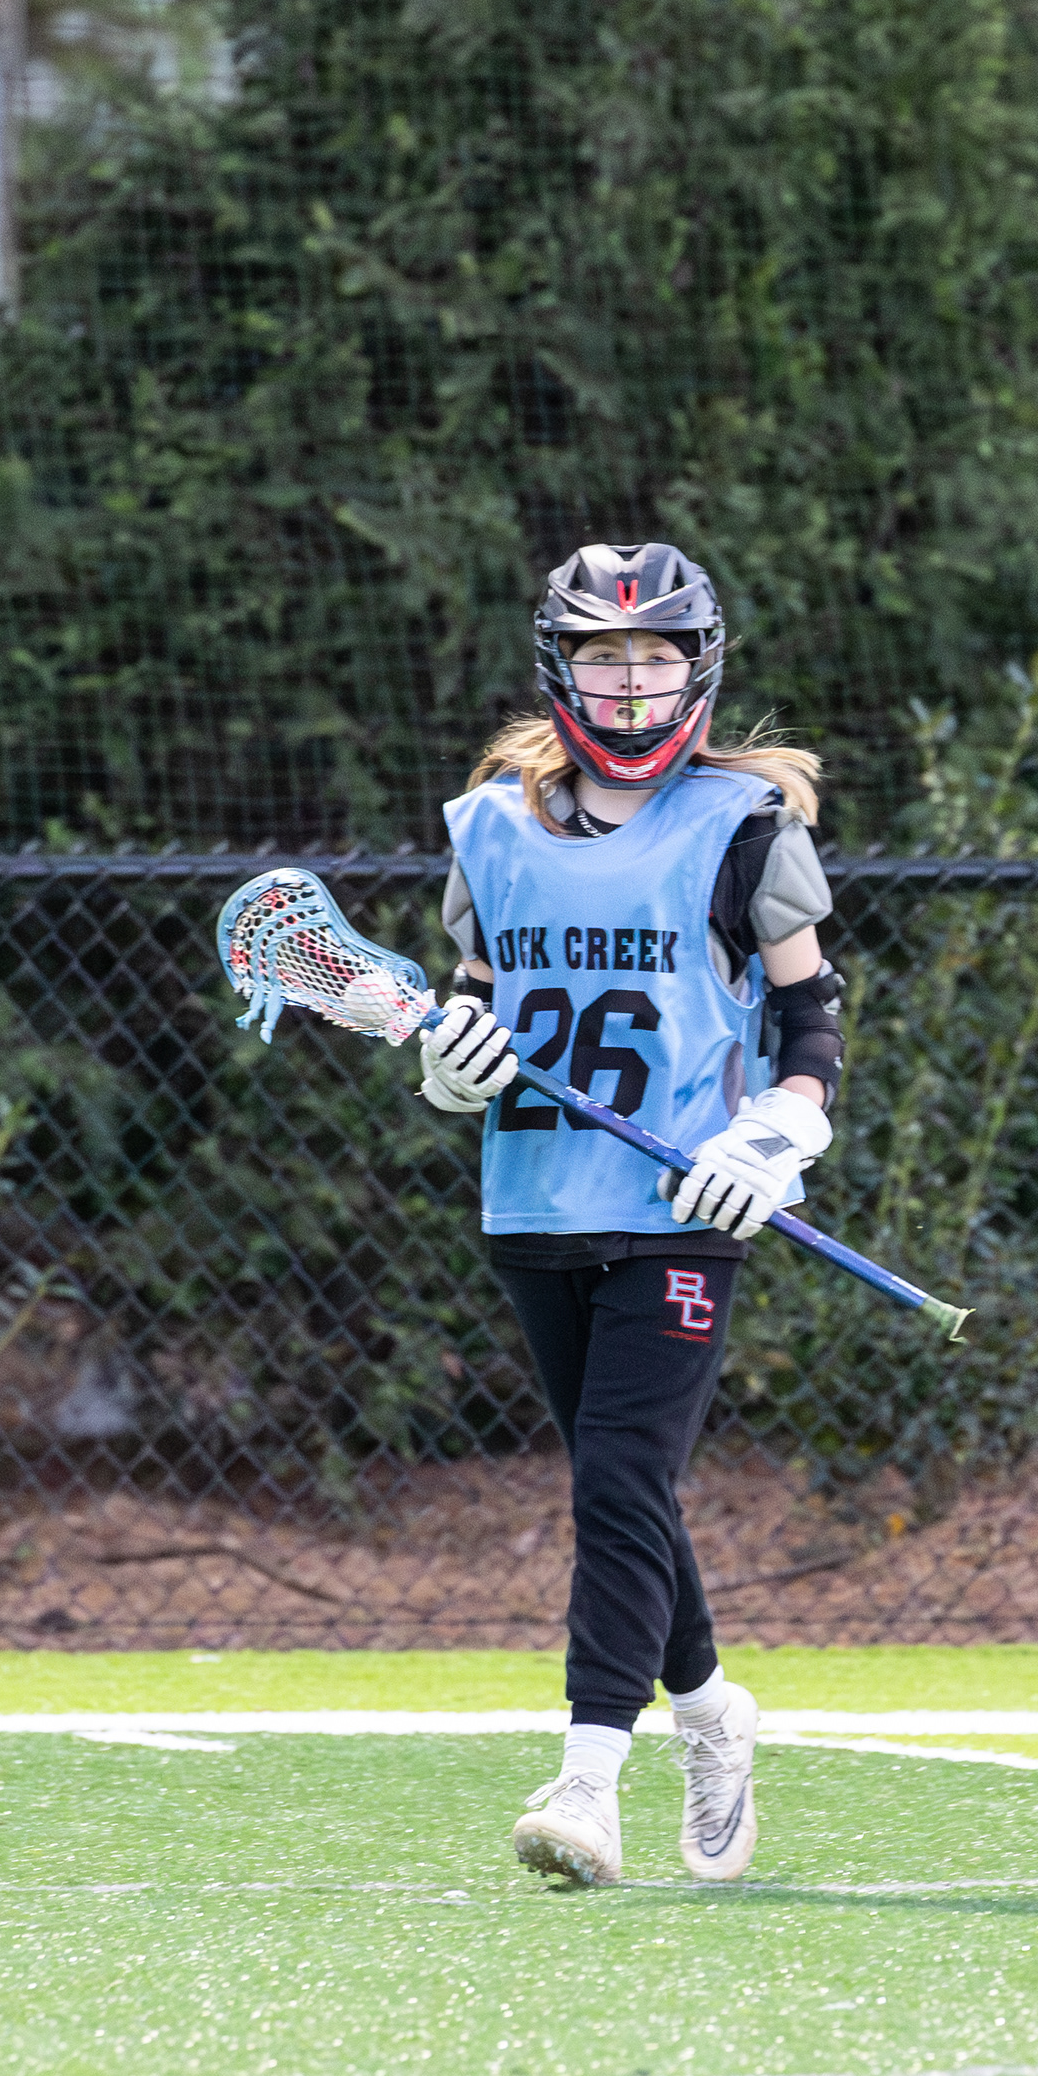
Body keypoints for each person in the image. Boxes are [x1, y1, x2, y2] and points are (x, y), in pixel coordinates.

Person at [421, 542, 846, 1885]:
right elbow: (475, 1003)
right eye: (604, 657)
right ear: (562, 668)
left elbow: (811, 1026)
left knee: (615, 1480)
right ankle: (712, 1714)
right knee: (628, 1490)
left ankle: (587, 1783)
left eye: (652, 657)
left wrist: (774, 1136)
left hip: (680, 1205)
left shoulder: (747, 827)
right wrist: (454, 1060)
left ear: (695, 669)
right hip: (536, 1196)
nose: (629, 682)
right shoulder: (490, 828)